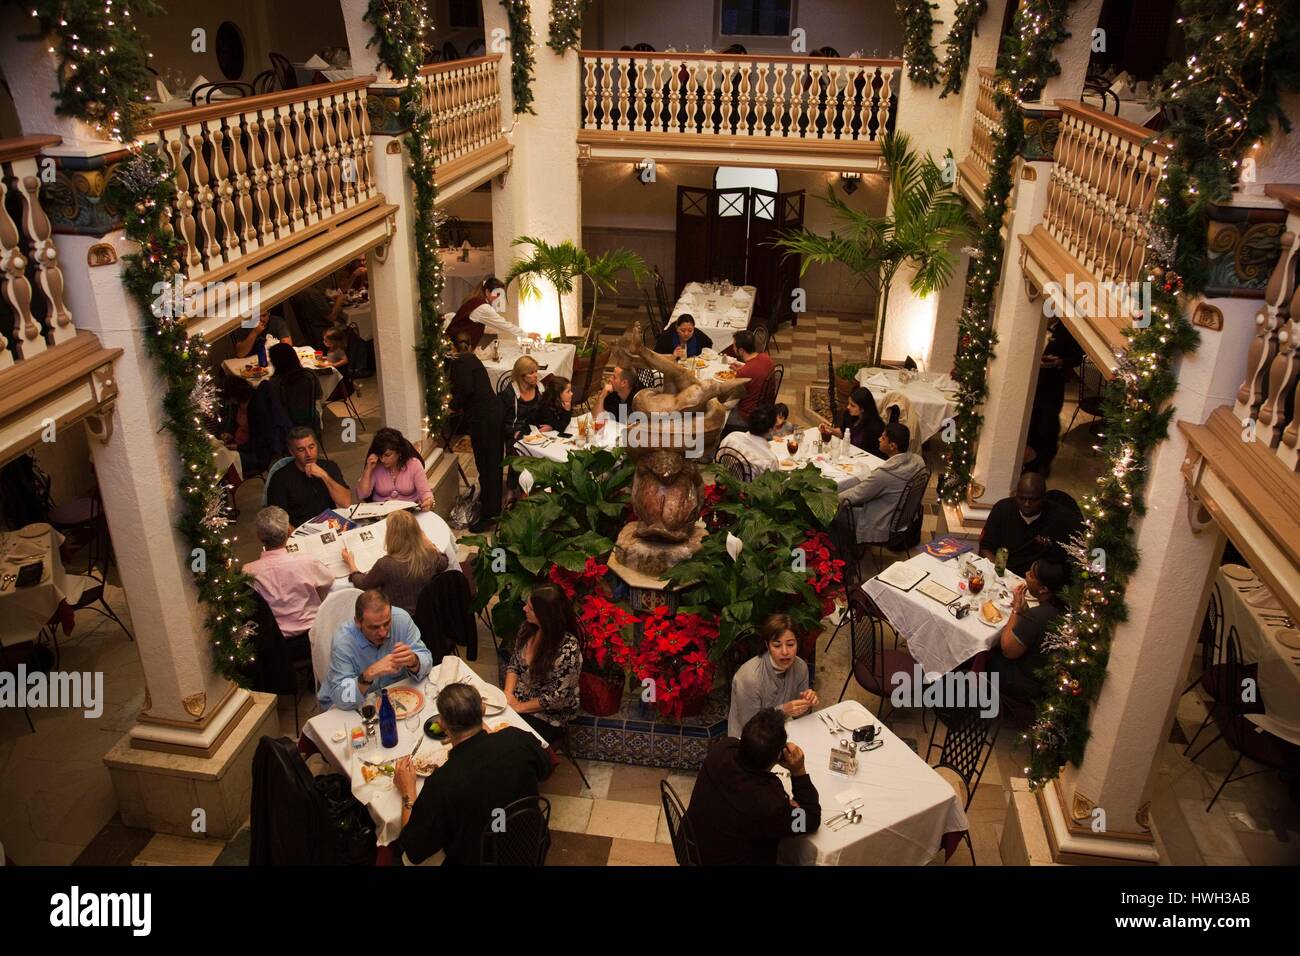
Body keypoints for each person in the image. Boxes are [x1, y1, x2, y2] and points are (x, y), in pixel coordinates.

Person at [392, 682, 552, 865]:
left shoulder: (441, 783)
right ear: (483, 710)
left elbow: (414, 850)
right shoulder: (517, 739)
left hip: (481, 858)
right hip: (530, 844)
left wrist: (407, 794)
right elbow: (545, 770)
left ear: (442, 724)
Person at [686, 708, 822, 865]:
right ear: (779, 756)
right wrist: (798, 771)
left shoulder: (722, 748)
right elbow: (810, 820)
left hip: (692, 847)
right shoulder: (770, 804)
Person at [318, 589, 433, 710]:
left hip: (394, 698)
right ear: (358, 622)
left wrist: (414, 661)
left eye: (387, 623)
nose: (383, 633)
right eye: (374, 627)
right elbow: (342, 698)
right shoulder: (343, 641)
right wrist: (369, 674)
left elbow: (427, 660)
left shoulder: (401, 620)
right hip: (351, 707)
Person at [243, 506, 334, 653]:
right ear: (288, 532)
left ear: (259, 536)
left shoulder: (248, 571)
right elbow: (329, 580)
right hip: (313, 635)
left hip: (277, 642)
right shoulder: (306, 562)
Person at [503, 584, 581, 746]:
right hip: (519, 699)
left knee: (510, 742)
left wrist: (520, 707)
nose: (524, 609)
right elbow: (514, 665)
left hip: (548, 715)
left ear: (545, 616)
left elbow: (557, 698)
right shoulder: (527, 628)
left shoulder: (568, 649)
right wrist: (508, 694)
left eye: (530, 608)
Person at [987, 557, 1068, 701]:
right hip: (1046, 678)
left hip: (1025, 683)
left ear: (1043, 589)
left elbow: (1008, 650)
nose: (1025, 574)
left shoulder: (1038, 615)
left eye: (1031, 575)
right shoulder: (1060, 608)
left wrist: (1016, 610)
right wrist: (1024, 612)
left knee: (985, 652)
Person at [727, 613, 818, 737]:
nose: (785, 652)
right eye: (777, 645)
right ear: (767, 646)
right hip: (750, 738)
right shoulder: (749, 678)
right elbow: (750, 727)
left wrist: (806, 702)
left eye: (790, 644)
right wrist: (783, 711)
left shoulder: (801, 667)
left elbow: (801, 715)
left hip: (785, 729)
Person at [342, 510, 447, 617]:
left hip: (398, 618)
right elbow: (444, 562)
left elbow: (363, 585)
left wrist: (351, 564)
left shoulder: (386, 564)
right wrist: (428, 543)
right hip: (427, 612)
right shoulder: (429, 555)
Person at [447, 332, 503, 532]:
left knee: (488, 465)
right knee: (491, 464)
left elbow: (466, 390)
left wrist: (452, 406)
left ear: (453, 347)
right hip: (491, 415)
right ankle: (490, 503)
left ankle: (490, 514)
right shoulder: (472, 359)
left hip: (483, 419)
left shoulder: (459, 363)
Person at [979, 472, 1083, 577]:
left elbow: (1074, 560)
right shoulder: (1002, 509)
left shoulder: (1063, 519)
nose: (1027, 504)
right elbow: (986, 547)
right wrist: (1000, 574)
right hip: (1004, 574)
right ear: (1015, 494)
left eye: (1033, 500)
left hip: (1039, 583)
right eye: (1022, 498)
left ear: (1043, 497)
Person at [837, 423, 926, 544]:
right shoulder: (917, 462)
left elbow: (855, 496)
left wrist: (830, 500)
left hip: (880, 525)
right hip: (903, 518)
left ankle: (844, 554)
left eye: (883, 438)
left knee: (835, 511)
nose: (879, 439)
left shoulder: (885, 475)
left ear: (892, 446)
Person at [1025, 319, 1084, 476]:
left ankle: (1043, 463)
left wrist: (1060, 361)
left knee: (1047, 426)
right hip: (1029, 383)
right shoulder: (1032, 324)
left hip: (1051, 385)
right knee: (1029, 424)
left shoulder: (1067, 330)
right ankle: (1028, 462)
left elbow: (1078, 357)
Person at [266, 426, 351, 526]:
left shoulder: (329, 467)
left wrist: (324, 475)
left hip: (330, 523)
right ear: (292, 452)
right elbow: (278, 520)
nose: (309, 454)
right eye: (301, 450)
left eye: (311, 447)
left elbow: (346, 502)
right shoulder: (280, 478)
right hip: (300, 529)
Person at [356, 427, 434, 511]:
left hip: (409, 513)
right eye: (380, 455)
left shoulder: (414, 464)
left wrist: (428, 501)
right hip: (381, 514)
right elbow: (362, 495)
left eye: (387, 455)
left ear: (399, 451)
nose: (382, 460)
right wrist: (368, 470)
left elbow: (425, 492)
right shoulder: (375, 466)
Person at [445, 276, 532, 348]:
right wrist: (526, 335)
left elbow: (484, 324)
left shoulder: (475, 301)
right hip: (456, 347)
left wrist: (499, 330)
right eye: (497, 294)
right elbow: (502, 324)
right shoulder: (483, 307)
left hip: (454, 343)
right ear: (487, 292)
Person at [724, 330, 775, 432]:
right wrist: (743, 367)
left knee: (717, 412)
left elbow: (730, 404)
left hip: (748, 417)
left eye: (734, 346)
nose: (733, 348)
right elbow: (756, 370)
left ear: (741, 350)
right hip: (765, 408)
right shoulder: (766, 358)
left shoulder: (744, 373)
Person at [267, 341, 322, 430]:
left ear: (274, 362)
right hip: (309, 416)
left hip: (287, 421)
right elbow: (319, 396)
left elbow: (275, 407)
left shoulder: (275, 382)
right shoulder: (309, 374)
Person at [718, 403, 781, 476]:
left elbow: (719, 460)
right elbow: (770, 485)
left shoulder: (731, 437)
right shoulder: (770, 459)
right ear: (770, 429)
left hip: (724, 481)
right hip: (749, 487)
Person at [500, 355, 545, 445]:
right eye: (531, 373)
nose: (536, 375)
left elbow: (545, 412)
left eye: (536, 371)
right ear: (521, 375)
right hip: (515, 437)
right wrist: (514, 433)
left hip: (536, 433)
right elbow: (500, 421)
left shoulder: (539, 389)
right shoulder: (510, 393)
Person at [832, 386, 886, 456]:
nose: (848, 407)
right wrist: (830, 430)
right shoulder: (849, 414)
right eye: (848, 403)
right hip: (848, 453)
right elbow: (843, 432)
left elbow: (875, 454)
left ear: (863, 408)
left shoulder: (876, 427)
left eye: (852, 405)